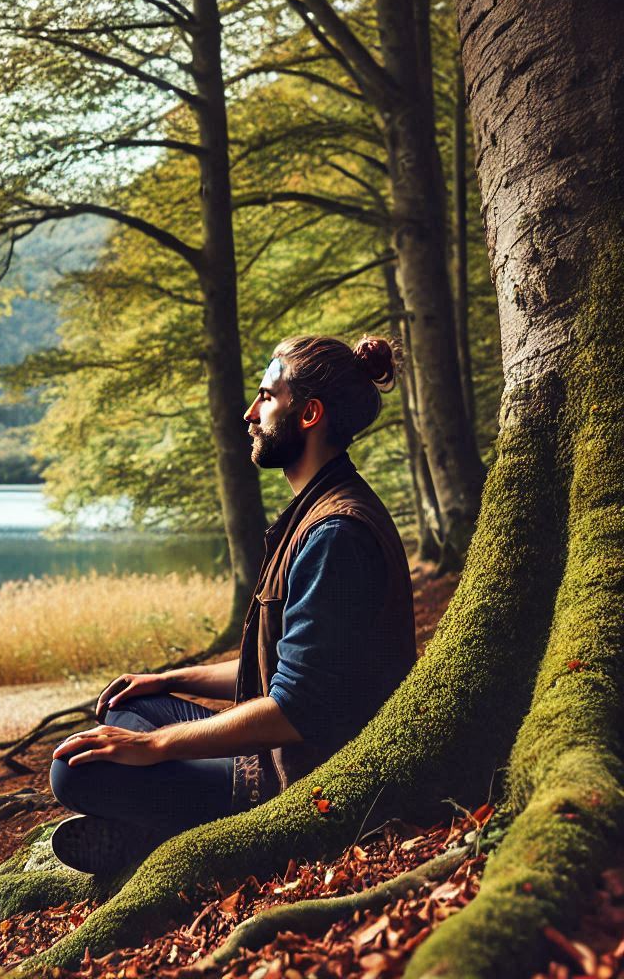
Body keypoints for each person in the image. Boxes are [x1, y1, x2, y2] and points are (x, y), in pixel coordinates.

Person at [48, 335, 417, 874]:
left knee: (76, 770)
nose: (249, 413)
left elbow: (296, 709)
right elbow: (282, 665)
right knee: (125, 710)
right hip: (279, 758)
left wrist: (154, 749)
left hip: (297, 787)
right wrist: (171, 680)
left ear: (309, 413)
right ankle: (150, 831)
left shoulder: (336, 533)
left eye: (267, 398)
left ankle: (160, 844)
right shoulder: (316, 513)